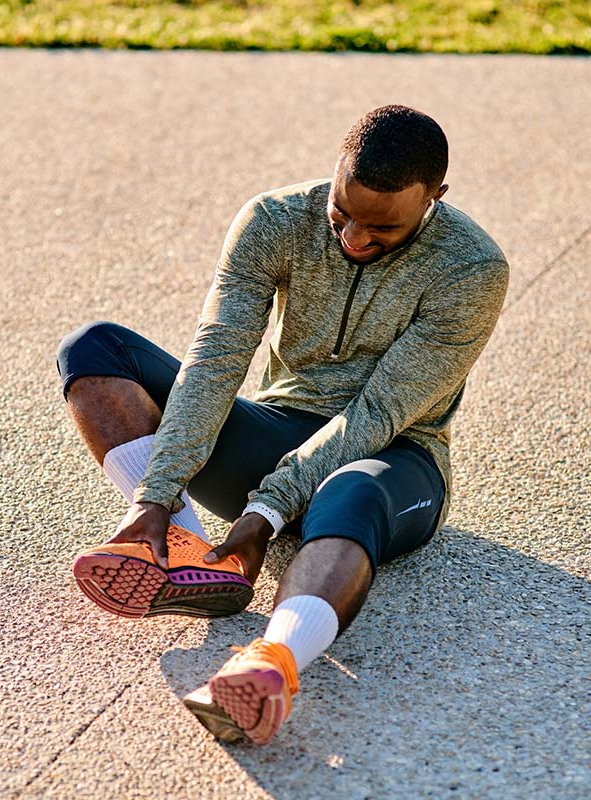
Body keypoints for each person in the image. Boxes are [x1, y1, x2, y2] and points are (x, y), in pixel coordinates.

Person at [55, 105, 509, 745]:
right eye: (342, 211)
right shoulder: (273, 220)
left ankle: (273, 663)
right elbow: (216, 359)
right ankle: (190, 554)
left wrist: (265, 513)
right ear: (336, 170)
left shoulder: (471, 269)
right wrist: (157, 491)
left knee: (348, 489)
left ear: (435, 198)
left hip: (393, 456)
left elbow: (376, 413)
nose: (353, 236)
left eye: (382, 226)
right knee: (96, 348)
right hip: (276, 429)